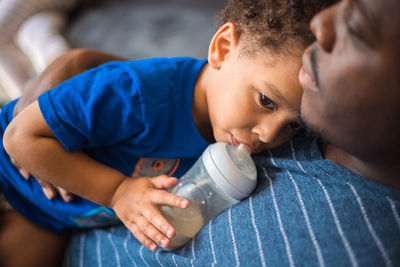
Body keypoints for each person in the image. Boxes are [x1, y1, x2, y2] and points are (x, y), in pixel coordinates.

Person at [58, 0, 399, 265]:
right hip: (55, 202)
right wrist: (75, 80)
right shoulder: (306, 85)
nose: (322, 24)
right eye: (266, 101)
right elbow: (172, 86)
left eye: (358, 30)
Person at [0, 0, 336, 266]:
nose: (268, 133)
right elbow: (19, 138)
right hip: (12, 175)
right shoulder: (142, 95)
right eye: (265, 101)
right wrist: (118, 192)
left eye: (294, 124)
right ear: (222, 49)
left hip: (49, 216)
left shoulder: (226, 123)